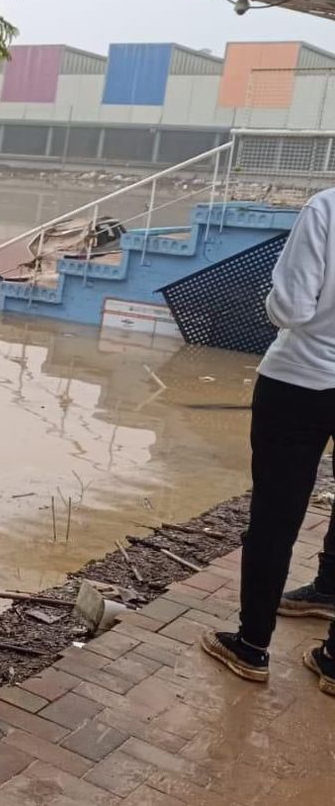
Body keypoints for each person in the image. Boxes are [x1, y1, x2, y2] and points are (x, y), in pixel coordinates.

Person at [203, 189, 335, 694]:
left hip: (300, 382)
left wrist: (272, 301)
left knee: (275, 518)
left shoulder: (324, 209)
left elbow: (291, 308)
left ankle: (252, 645)